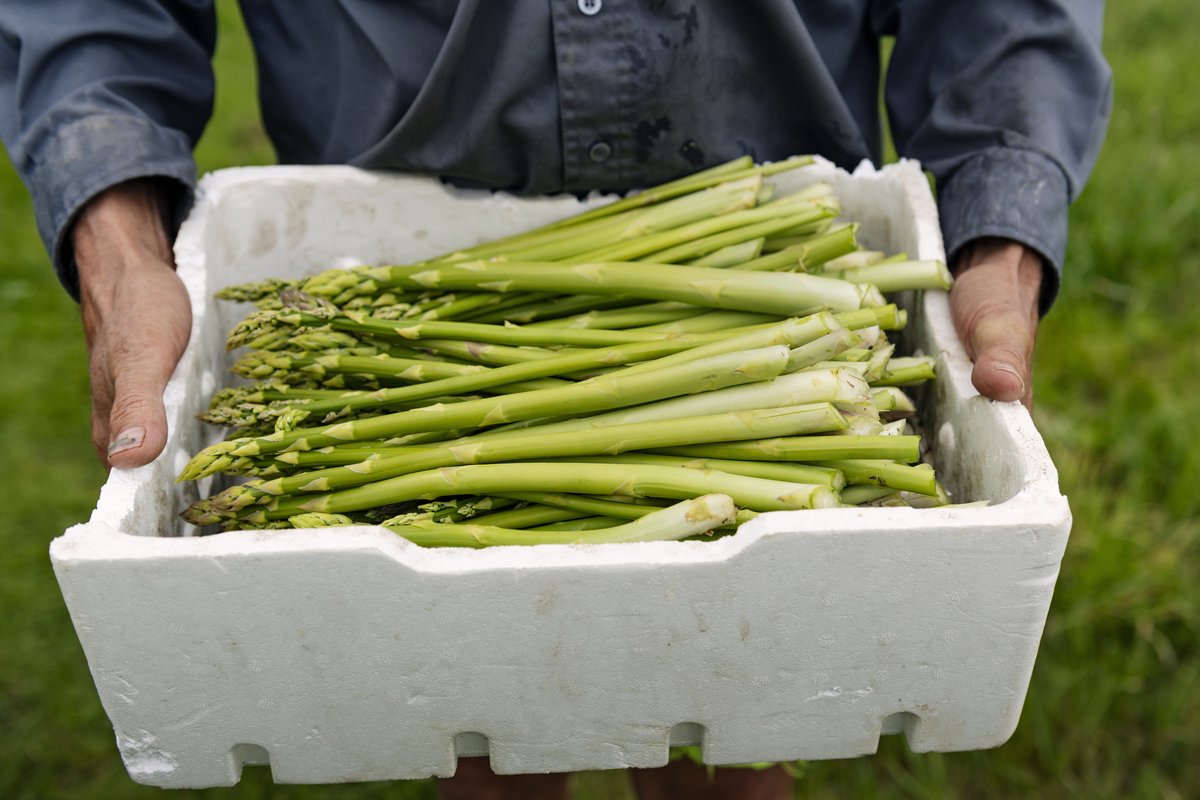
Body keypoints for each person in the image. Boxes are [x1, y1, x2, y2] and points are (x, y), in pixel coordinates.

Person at [1, 2, 1110, 798]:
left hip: (769, 172)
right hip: (374, 202)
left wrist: (1000, 216)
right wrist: (117, 233)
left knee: (740, 704)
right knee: (464, 709)